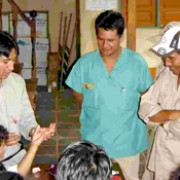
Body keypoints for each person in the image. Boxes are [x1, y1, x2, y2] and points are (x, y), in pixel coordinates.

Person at [65, 10, 153, 180]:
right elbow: (77, 94)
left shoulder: (136, 63)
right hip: (94, 143)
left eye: (111, 40)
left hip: (127, 143)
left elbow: (147, 96)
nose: (105, 45)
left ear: (121, 37)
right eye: (101, 39)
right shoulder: (84, 64)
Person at [0, 31, 56, 169]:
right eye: (6, 62)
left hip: (17, 158)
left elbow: (26, 117)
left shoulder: (17, 82)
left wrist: (33, 131)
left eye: (13, 60)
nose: (12, 67)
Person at [139, 22, 180, 180]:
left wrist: (159, 116)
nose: (166, 63)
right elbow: (144, 106)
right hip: (158, 156)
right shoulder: (167, 74)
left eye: (170, 57)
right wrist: (172, 114)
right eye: (164, 57)